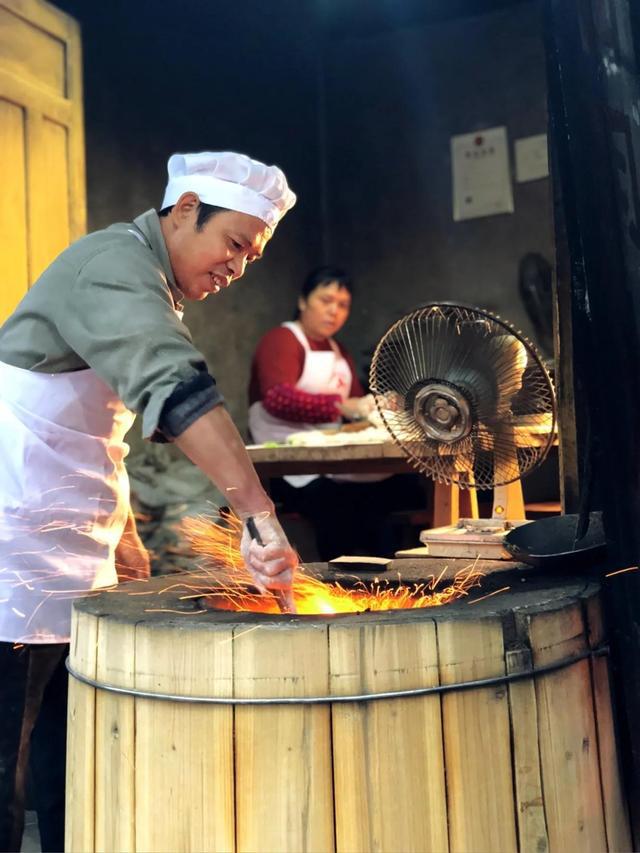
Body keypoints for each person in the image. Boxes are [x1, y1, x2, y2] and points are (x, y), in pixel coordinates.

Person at [0, 150, 298, 852]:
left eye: (252, 256)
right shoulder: (112, 265)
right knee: (5, 769)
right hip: (12, 552)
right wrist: (260, 516)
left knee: (64, 762)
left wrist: (124, 533)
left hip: (69, 550)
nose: (237, 267)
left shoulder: (148, 283)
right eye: (233, 244)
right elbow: (174, 386)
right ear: (186, 207)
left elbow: (89, 430)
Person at [248, 266, 426, 560]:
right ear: (303, 301)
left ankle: (389, 577)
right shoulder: (281, 340)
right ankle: (345, 580)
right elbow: (277, 398)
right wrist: (341, 406)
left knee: (404, 489)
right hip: (290, 466)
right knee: (338, 503)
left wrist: (377, 406)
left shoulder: (338, 350)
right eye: (325, 300)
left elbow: (357, 404)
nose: (334, 311)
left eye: (342, 305)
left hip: (330, 457)